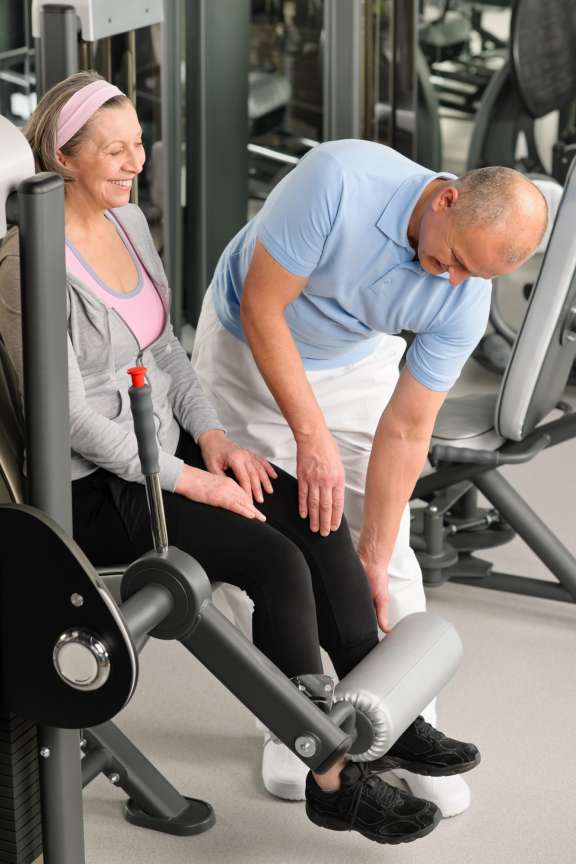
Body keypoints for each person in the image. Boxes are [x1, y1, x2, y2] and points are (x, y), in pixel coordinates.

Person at [0, 72, 480, 847]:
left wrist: (216, 439)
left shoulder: (129, 224)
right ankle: (331, 775)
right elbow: (72, 420)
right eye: (116, 151)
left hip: (166, 442)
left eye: (139, 146)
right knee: (273, 561)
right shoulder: (25, 264)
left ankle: (381, 721)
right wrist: (192, 478)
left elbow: (166, 349)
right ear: (64, 156)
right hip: (96, 486)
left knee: (316, 518)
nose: (136, 163)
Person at [192, 139, 548, 814]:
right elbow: (265, 309)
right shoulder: (338, 180)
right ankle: (293, 724)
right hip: (248, 349)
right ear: (446, 200)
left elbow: (408, 429)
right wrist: (311, 437)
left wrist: (374, 553)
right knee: (263, 542)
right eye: (453, 260)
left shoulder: (464, 294)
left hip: (353, 362)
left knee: (390, 560)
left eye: (472, 275)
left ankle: (405, 731)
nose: (452, 281)